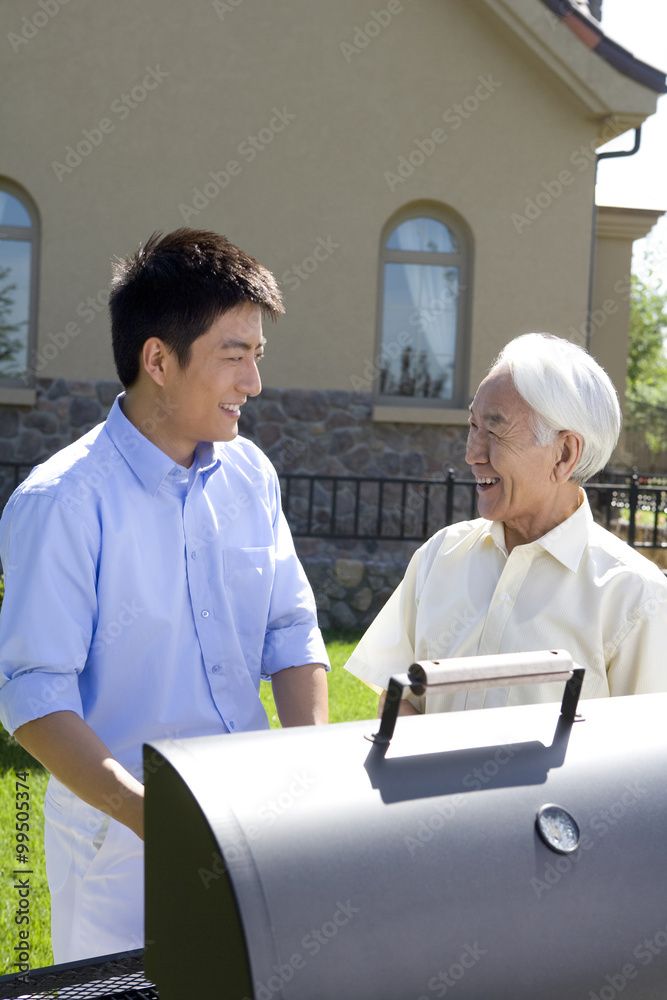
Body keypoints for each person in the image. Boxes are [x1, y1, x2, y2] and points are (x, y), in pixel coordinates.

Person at [0, 228, 329, 964]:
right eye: (234, 355)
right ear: (157, 359)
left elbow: (291, 631)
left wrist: (311, 777)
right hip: (117, 848)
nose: (254, 384)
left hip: (253, 829)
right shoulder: (62, 502)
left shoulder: (252, 476)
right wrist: (155, 819)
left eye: (257, 356)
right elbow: (34, 696)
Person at [345, 333, 667, 715]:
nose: (472, 454)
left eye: (495, 430)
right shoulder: (440, 554)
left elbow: (643, 757)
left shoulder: (634, 596)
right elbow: (401, 699)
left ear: (564, 454)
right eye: (472, 426)